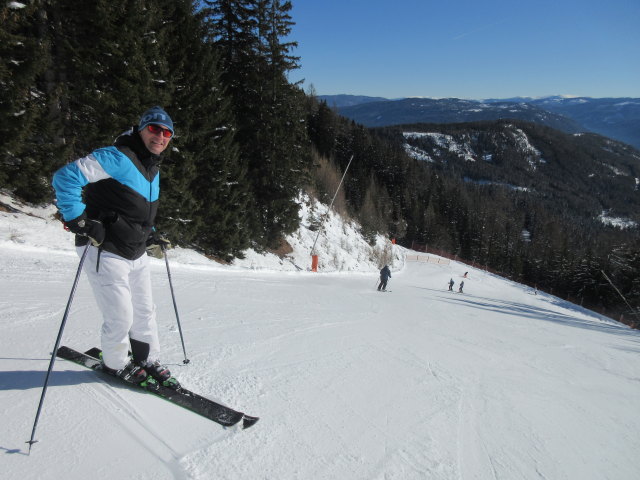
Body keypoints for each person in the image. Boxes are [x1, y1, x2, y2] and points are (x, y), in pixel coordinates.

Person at [52, 106, 176, 387]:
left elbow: (137, 210)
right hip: (103, 247)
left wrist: (151, 234)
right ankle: (116, 364)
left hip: (135, 250)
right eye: (154, 129)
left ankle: (146, 358)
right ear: (141, 129)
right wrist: (79, 221)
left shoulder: (151, 166)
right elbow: (65, 178)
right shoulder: (117, 156)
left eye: (166, 132)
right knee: (120, 315)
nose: (160, 136)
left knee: (145, 310)